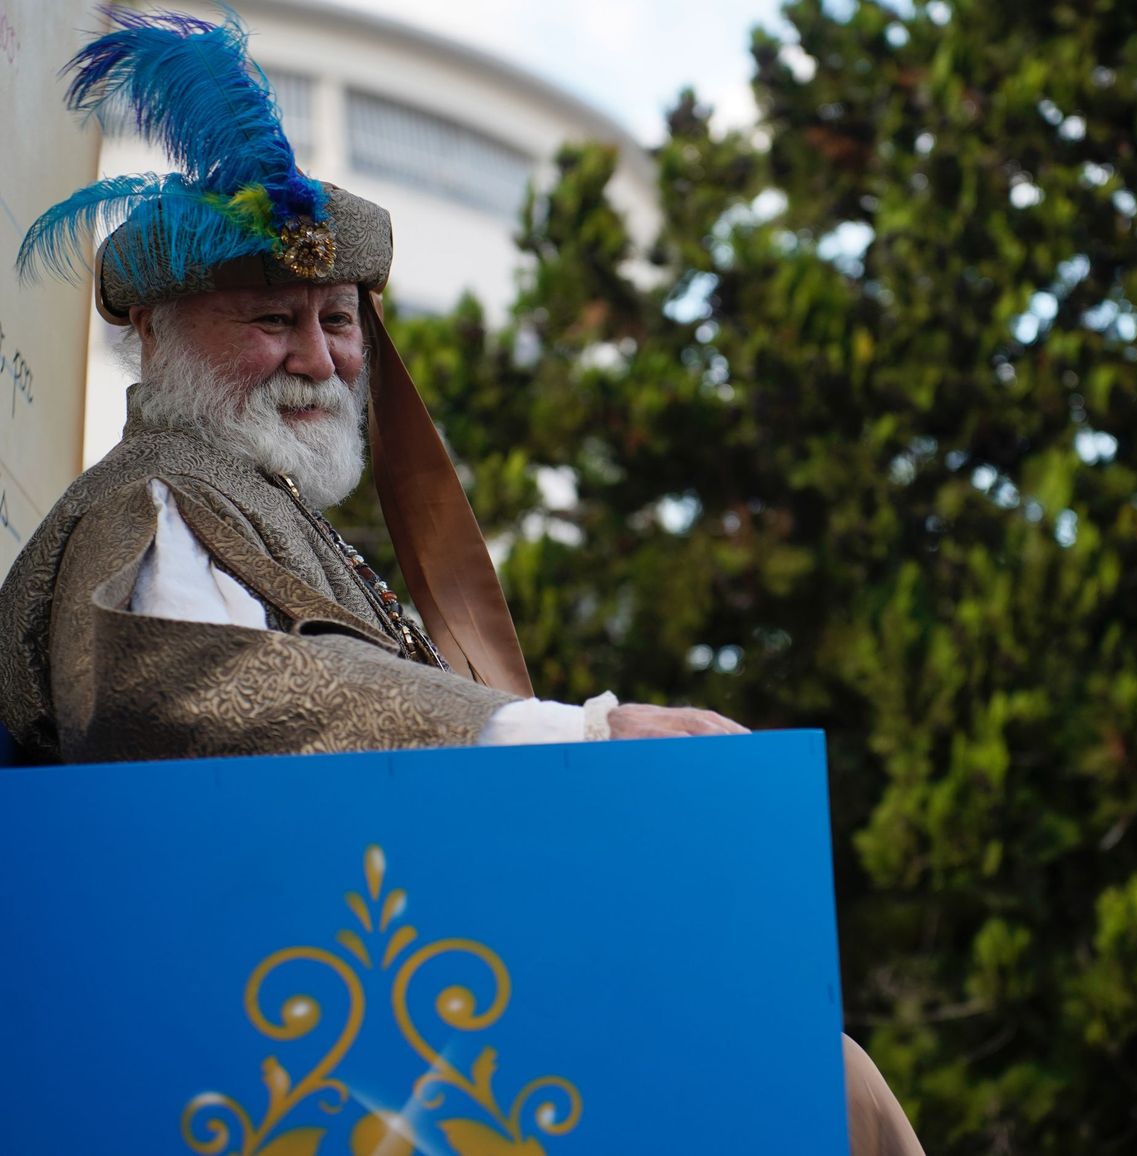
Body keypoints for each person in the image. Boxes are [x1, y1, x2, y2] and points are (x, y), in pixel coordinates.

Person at [0, 10, 923, 1155]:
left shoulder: (255, 507)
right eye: (271, 321)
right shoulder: (159, 495)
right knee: (808, 1081)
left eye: (337, 322)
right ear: (156, 334)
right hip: (255, 1040)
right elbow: (207, 698)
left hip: (359, 1012)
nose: (319, 358)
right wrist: (578, 738)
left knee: (819, 1069)